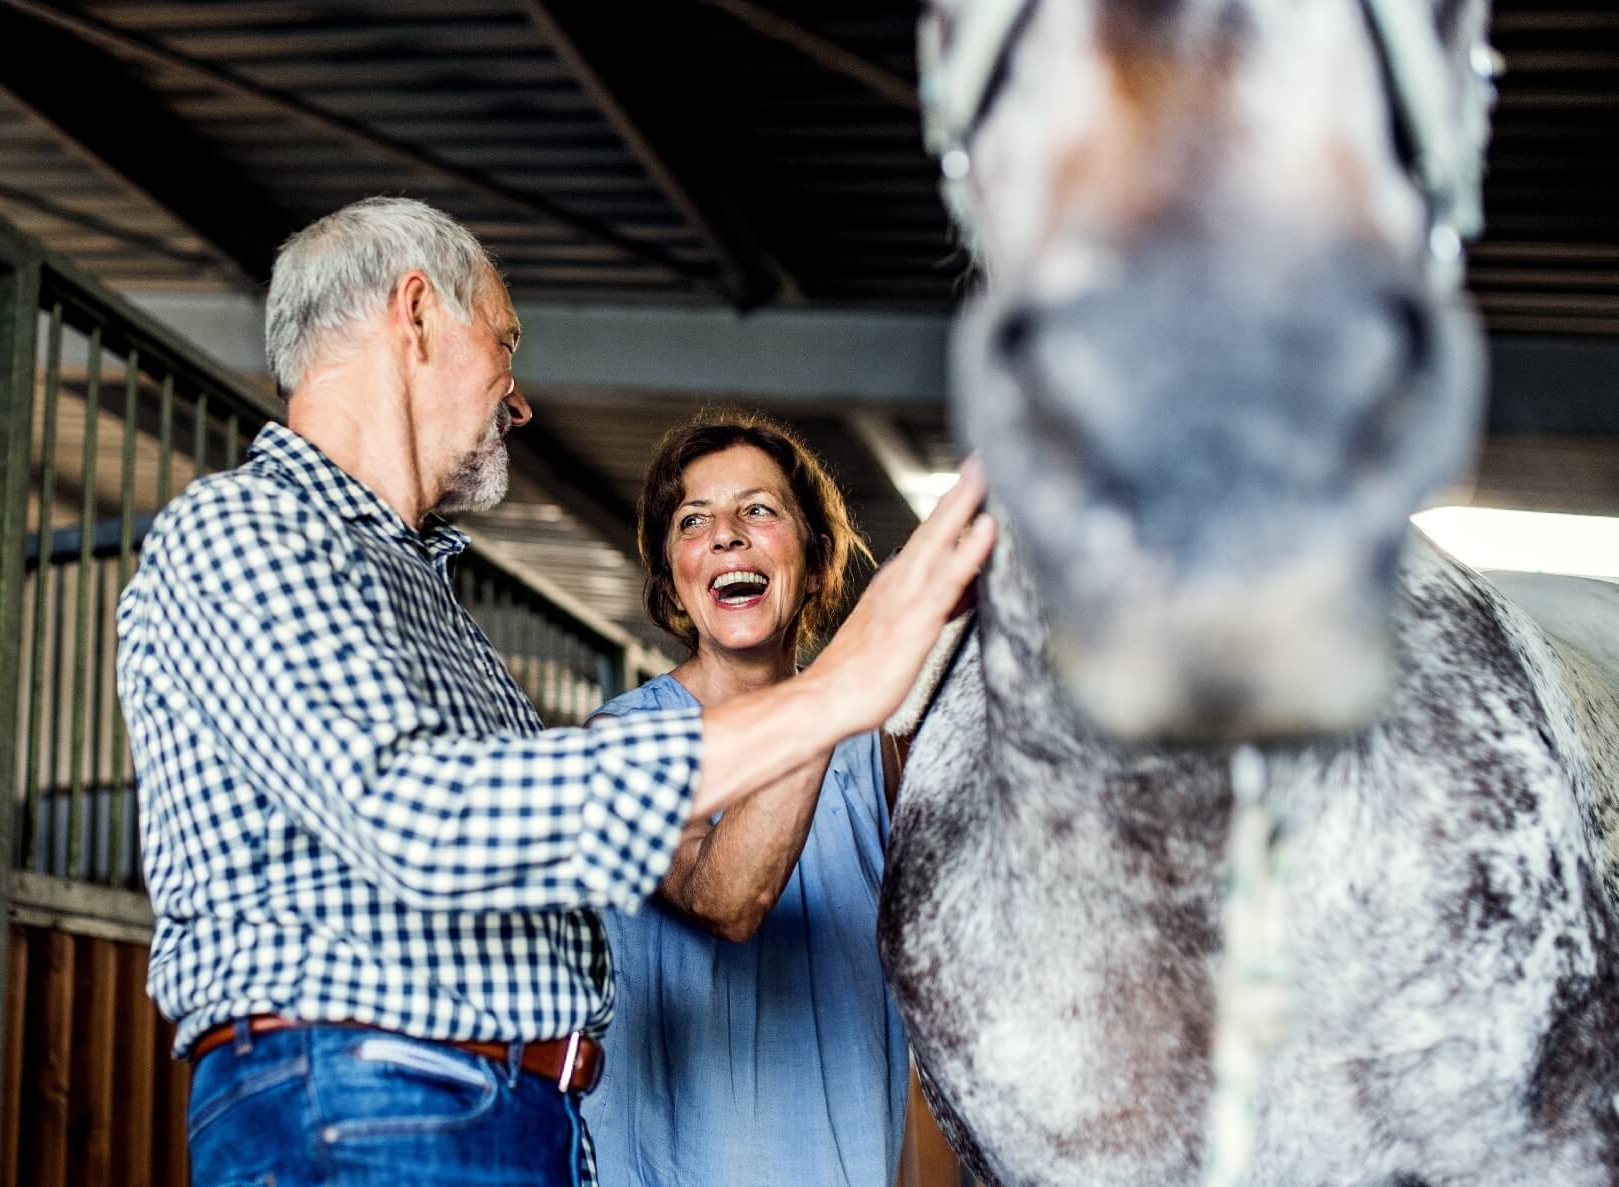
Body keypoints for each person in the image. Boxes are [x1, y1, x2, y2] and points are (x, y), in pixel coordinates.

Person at [115, 195, 993, 1187]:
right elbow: (419, 813)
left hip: (499, 1115)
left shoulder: (423, 599)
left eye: (760, 513)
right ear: (416, 316)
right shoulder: (248, 531)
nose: (516, 395)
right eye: (504, 339)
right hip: (376, 1108)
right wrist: (841, 686)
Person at [581, 412, 910, 1187]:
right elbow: (724, 900)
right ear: (672, 574)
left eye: (759, 510)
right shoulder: (624, 743)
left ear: (815, 552)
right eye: (694, 521)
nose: (728, 535)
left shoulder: (874, 749)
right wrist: (845, 683)